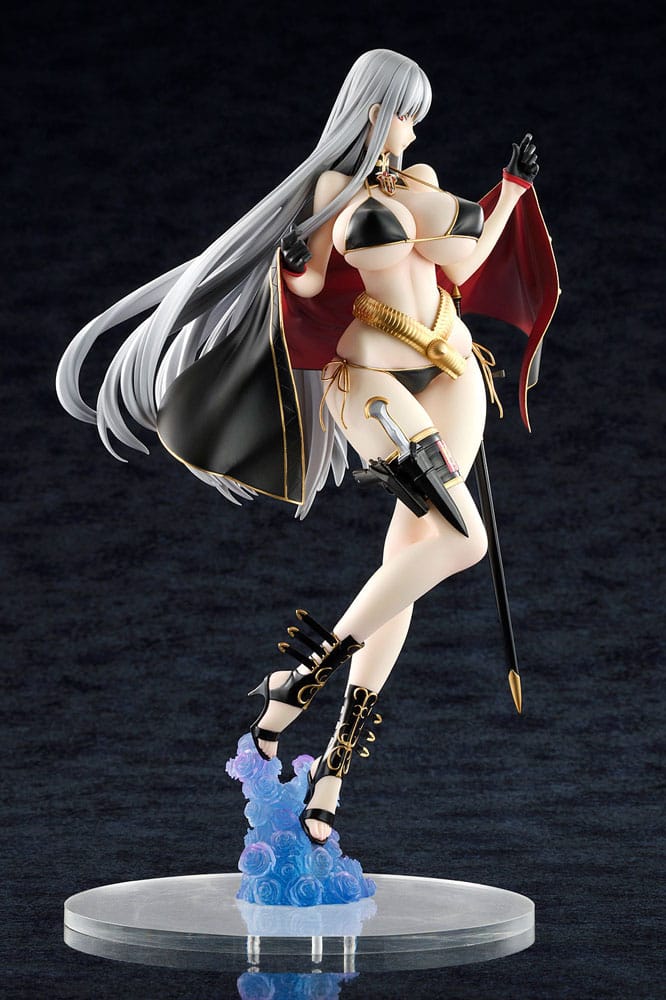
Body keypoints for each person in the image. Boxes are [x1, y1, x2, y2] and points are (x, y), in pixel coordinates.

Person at [57, 49, 557, 847]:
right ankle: (303, 680)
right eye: (406, 111)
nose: (414, 127)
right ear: (373, 110)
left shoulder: (422, 179)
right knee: (465, 541)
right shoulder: (334, 192)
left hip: (456, 372)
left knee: (409, 565)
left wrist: (513, 193)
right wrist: (291, 272)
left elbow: (466, 263)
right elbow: (315, 287)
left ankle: (331, 769)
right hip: (372, 381)